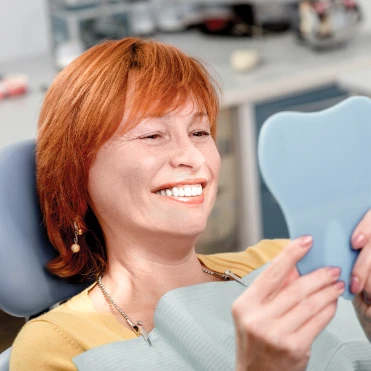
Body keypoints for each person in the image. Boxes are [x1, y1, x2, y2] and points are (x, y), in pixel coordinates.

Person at [9, 37, 371, 371]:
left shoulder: (287, 261)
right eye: (152, 135)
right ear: (77, 175)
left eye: (199, 132)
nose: (192, 157)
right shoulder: (57, 348)